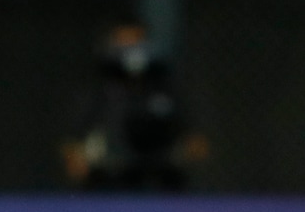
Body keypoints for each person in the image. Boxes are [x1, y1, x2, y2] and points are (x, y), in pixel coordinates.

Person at [60, 21, 207, 192]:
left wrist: (185, 150)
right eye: (124, 42)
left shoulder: (163, 88)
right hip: (111, 176)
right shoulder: (99, 90)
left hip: (159, 174)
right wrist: (76, 158)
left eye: (135, 41)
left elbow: (197, 142)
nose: (130, 49)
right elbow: (71, 142)